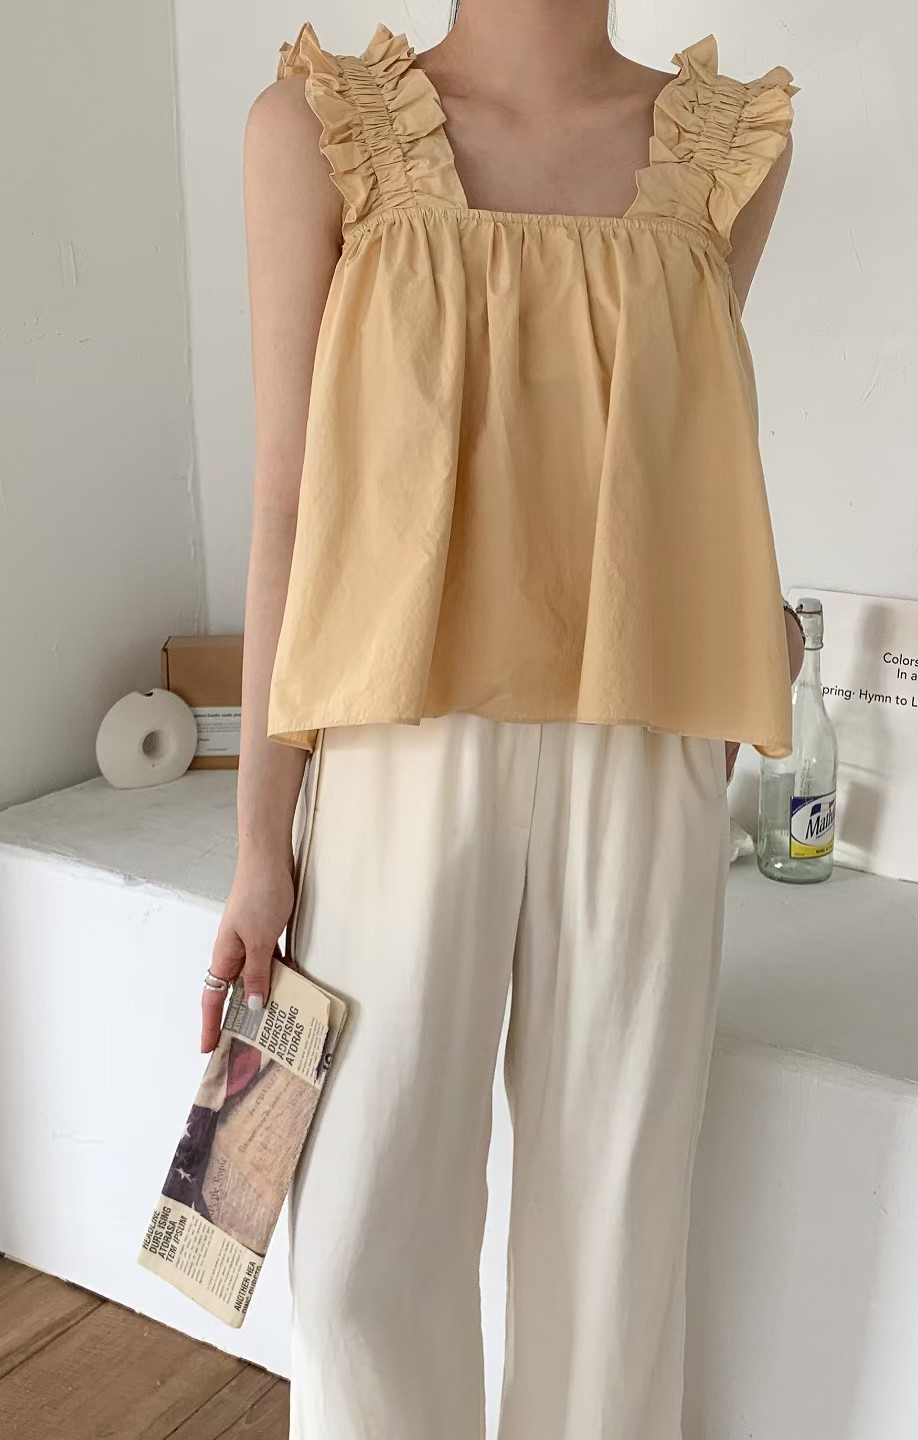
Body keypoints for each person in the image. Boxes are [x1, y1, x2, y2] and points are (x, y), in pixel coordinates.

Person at [202, 2, 804, 1434]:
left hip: (644, 746)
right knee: (354, 1255)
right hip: (394, 746)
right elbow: (288, 500)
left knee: (615, 1251)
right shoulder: (315, 132)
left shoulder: (727, 150)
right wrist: (260, 848)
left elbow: (652, 473)